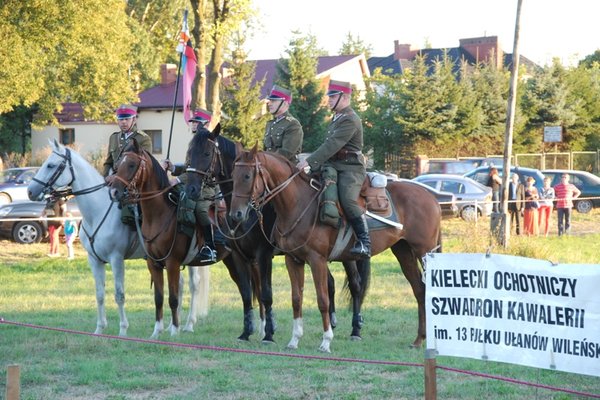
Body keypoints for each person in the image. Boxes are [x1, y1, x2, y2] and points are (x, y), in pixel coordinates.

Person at [296, 80, 370, 258]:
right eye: (329, 97)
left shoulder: (351, 119)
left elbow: (333, 144)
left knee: (347, 199)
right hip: (333, 165)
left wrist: (309, 161)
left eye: (332, 97)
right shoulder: (337, 118)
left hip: (351, 168)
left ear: (344, 97)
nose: (328, 100)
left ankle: (364, 241)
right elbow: (328, 145)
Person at [163, 108, 218, 263]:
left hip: (208, 186)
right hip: (193, 184)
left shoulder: (211, 142)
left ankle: (210, 247)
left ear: (206, 124)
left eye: (197, 122)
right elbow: (190, 168)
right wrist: (173, 168)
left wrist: (178, 179)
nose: (193, 125)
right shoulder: (194, 142)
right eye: (193, 122)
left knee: (201, 210)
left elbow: (199, 171)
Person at [103, 104, 152, 179]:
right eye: (121, 119)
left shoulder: (143, 138)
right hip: (113, 180)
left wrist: (117, 177)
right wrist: (105, 178)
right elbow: (108, 163)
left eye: (127, 119)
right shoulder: (114, 137)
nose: (124, 122)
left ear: (134, 119)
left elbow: (144, 165)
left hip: (132, 182)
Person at [264, 85, 304, 163]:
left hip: (287, 168)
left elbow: (286, 153)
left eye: (274, 101)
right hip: (269, 166)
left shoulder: (293, 124)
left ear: (285, 103)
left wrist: (266, 160)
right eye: (270, 100)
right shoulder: (271, 124)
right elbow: (266, 148)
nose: (269, 104)